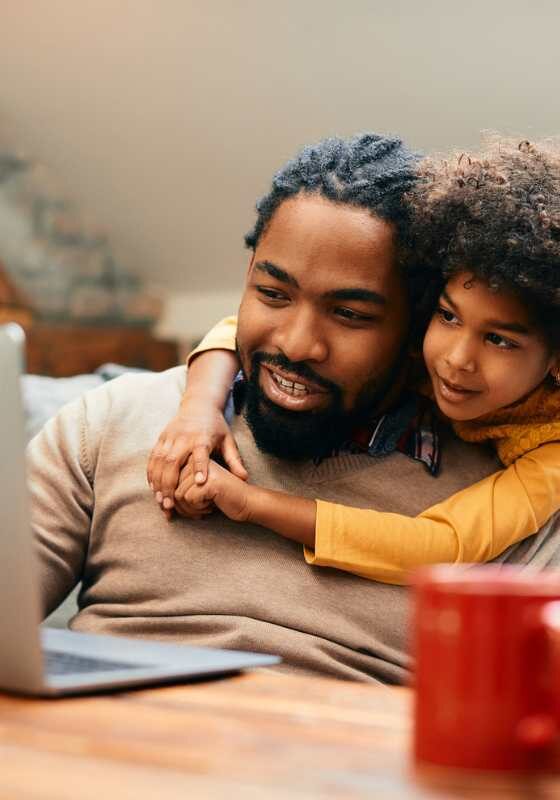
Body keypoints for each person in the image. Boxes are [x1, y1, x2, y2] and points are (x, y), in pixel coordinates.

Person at [29, 134, 560, 684]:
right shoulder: (112, 421)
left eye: (350, 314)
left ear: (414, 329)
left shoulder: (510, 503)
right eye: (273, 294)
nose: (297, 344)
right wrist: (199, 402)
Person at [147, 137, 560, 585]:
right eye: (447, 315)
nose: (457, 359)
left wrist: (253, 503)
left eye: (498, 340)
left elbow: (442, 545)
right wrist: (199, 408)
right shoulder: (429, 354)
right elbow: (236, 331)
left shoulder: (552, 455)